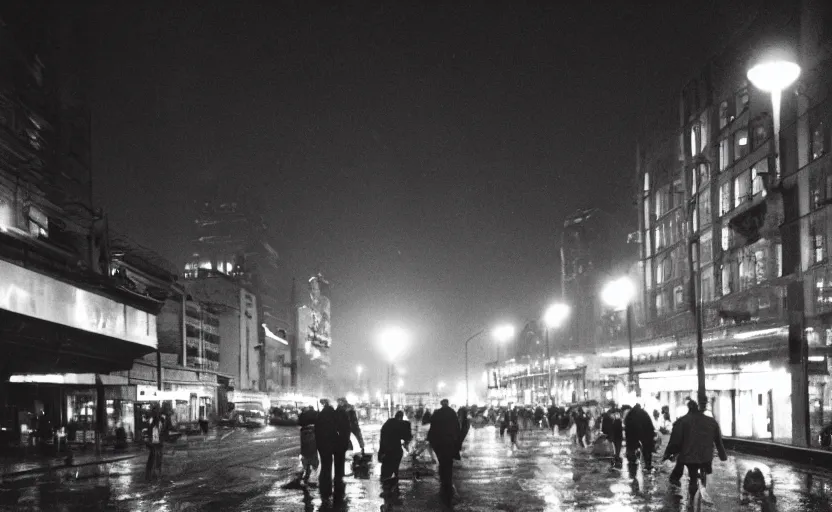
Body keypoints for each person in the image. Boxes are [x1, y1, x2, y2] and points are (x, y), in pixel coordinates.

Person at [663, 400, 728, 497]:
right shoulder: (711, 421)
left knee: (686, 468)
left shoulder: (681, 421)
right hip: (707, 455)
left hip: (689, 457)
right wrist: (723, 455)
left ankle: (689, 499)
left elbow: (674, 441)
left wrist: (668, 454)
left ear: (689, 408)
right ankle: (697, 486)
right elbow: (718, 441)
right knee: (700, 465)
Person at [428, 399, 461, 504]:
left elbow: (432, 426)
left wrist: (432, 439)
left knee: (442, 460)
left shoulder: (437, 413)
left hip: (439, 441)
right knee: (448, 461)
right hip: (449, 441)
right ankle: (448, 481)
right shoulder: (452, 413)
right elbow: (457, 427)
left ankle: (443, 480)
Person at [314, 398, 344, 499]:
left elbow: (316, 431)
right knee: (330, 464)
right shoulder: (334, 415)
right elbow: (338, 429)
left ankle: (324, 488)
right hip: (331, 444)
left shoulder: (320, 416)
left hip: (322, 445)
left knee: (325, 465)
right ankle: (334, 487)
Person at [378, 411, 413, 491]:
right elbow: (407, 437)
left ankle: (386, 489)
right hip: (395, 450)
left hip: (385, 450)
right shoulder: (402, 424)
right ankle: (394, 487)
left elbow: (382, 439)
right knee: (395, 468)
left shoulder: (387, 424)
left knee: (386, 471)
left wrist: (381, 453)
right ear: (401, 417)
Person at [624, 403, 655, 478]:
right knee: (647, 449)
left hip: (634, 432)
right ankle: (647, 465)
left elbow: (627, 426)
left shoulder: (630, 414)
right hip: (646, 433)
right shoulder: (643, 413)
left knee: (632, 448)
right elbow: (649, 426)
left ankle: (632, 463)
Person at [298, 406, 319, 483]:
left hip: (304, 432)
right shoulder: (316, 413)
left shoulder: (302, 415)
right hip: (314, 432)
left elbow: (299, 422)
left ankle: (307, 469)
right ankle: (314, 468)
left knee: (305, 451)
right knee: (313, 449)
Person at [145, 406, 165, 481]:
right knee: (153, 459)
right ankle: (151, 475)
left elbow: (162, 431)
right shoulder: (151, 421)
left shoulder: (160, 420)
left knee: (158, 459)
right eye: (154, 412)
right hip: (153, 443)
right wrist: (148, 442)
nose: (155, 413)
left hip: (158, 443)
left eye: (157, 412)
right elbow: (148, 431)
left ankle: (156, 474)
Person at [601, 403, 623, 468]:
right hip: (617, 435)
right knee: (617, 448)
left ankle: (615, 460)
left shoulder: (607, 415)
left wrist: (605, 433)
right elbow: (619, 425)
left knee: (614, 449)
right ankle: (616, 459)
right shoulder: (617, 415)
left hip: (613, 435)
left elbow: (604, 427)